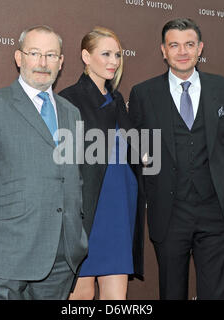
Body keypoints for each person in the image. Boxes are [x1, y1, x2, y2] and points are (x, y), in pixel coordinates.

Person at [0, 25, 88, 300]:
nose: (42, 62)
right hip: (6, 255)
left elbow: (73, 177)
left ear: (61, 62)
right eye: (35, 53)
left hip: (61, 258)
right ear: (19, 57)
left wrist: (77, 238)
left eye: (51, 55)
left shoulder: (71, 113)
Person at [129, 18, 224, 300]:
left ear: (200, 48)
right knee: (171, 294)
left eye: (189, 44)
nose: (182, 51)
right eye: (174, 45)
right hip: (169, 215)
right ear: (163, 50)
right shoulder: (143, 94)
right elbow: (136, 154)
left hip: (216, 213)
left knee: (217, 295)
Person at [59, 26, 145, 300]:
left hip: (120, 207)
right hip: (88, 212)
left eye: (117, 55)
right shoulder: (69, 99)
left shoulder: (118, 99)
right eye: (105, 54)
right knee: (81, 295)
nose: (113, 61)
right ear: (86, 56)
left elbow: (137, 148)